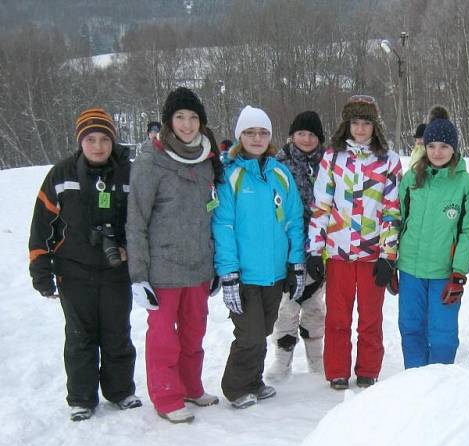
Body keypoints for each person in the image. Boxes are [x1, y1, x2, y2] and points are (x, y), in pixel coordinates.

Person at [28, 108, 139, 422]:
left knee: (118, 332)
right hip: (73, 271)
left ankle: (120, 391)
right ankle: (81, 398)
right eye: (91, 139)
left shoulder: (129, 174)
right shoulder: (61, 175)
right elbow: (41, 226)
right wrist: (41, 270)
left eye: (104, 138)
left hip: (116, 270)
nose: (98, 146)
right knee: (80, 336)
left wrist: (130, 248)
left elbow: (142, 220)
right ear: (81, 141)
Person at [127, 87, 223, 424]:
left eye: (193, 117)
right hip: (163, 269)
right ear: (169, 121)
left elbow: (212, 214)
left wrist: (214, 265)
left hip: (198, 265)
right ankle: (167, 395)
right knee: (165, 338)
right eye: (180, 117)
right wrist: (139, 275)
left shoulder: (208, 160)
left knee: (194, 333)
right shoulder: (151, 160)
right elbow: (136, 219)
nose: (187, 124)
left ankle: (191, 386)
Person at [212, 106, 306, 408]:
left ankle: (253, 380)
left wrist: (297, 263)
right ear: (240, 135)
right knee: (250, 333)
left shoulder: (280, 172)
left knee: (264, 329)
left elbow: (294, 218)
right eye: (250, 132)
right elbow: (223, 225)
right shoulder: (231, 175)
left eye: (262, 132)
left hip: (275, 272)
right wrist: (228, 272)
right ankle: (235, 386)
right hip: (244, 273)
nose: (257, 138)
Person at [307, 94, 402, 390]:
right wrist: (314, 249)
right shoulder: (332, 158)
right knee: (337, 317)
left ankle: (368, 369)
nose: (360, 130)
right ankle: (336, 370)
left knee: (370, 319)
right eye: (355, 123)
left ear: (375, 127)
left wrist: (388, 255)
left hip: (373, 255)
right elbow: (321, 205)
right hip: (339, 253)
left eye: (366, 123)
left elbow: (392, 210)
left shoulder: (389, 161)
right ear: (347, 125)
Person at [396, 107, 469, 368]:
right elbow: (398, 219)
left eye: (444, 145)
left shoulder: (467, 185)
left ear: (454, 148)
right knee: (411, 327)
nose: (437, 152)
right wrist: (390, 259)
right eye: (431, 145)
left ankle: (440, 382)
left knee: (442, 333)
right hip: (410, 268)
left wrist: (458, 271)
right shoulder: (412, 178)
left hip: (445, 272)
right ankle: (415, 377)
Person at [267, 110, 327, 380]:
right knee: (287, 309)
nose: (306, 138)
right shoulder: (277, 164)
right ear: (291, 135)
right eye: (301, 133)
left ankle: (316, 362)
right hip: (286, 248)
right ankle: (282, 361)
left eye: (312, 134)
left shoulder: (328, 163)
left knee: (314, 307)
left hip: (318, 248)